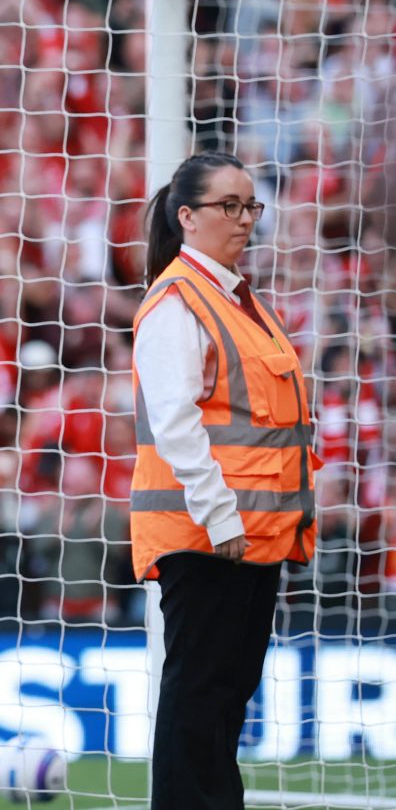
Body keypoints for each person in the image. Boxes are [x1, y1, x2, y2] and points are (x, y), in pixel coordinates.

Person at [130, 153, 318, 810]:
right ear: (187, 216)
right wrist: (218, 513)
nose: (244, 219)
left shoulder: (236, 299)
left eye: (250, 205)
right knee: (200, 698)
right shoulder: (178, 300)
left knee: (223, 702)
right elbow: (175, 421)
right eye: (228, 206)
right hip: (208, 533)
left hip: (249, 533)